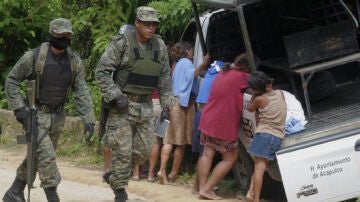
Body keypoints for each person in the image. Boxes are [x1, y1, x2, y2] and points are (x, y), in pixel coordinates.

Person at [3, 18, 96, 202]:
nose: (64, 38)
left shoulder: (74, 61)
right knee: (47, 158)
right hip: (35, 116)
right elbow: (12, 80)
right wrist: (19, 109)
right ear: (52, 35)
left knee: (38, 158)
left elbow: (81, 90)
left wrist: (88, 118)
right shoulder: (34, 57)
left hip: (58, 117)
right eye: (60, 35)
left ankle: (14, 191)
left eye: (67, 35)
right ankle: (53, 197)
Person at [95, 6, 174, 201]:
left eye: (154, 24)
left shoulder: (160, 46)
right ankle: (120, 192)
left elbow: (164, 78)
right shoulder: (122, 43)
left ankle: (116, 176)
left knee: (144, 150)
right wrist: (115, 95)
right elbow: (102, 71)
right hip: (123, 105)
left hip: (147, 105)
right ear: (137, 23)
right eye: (146, 23)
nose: (150, 27)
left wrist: (167, 105)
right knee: (123, 149)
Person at [196, 53, 251, 200]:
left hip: (208, 119)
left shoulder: (224, 71)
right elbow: (260, 85)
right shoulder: (243, 77)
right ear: (249, 67)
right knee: (230, 158)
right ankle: (207, 189)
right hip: (223, 124)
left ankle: (202, 188)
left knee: (207, 154)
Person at [157, 41, 209, 185]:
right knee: (181, 142)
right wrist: (204, 64)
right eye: (192, 51)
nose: (193, 54)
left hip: (174, 101)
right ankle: (173, 173)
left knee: (168, 139)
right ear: (187, 51)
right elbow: (192, 75)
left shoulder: (178, 63)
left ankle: (162, 170)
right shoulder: (186, 63)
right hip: (182, 104)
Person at [192, 46, 237, 193]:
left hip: (201, 113)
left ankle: (198, 187)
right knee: (216, 154)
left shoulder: (212, 69)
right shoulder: (226, 72)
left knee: (205, 153)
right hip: (212, 115)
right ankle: (203, 188)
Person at [102, 24, 136, 183]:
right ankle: (112, 170)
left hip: (112, 98)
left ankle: (109, 169)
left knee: (113, 134)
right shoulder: (125, 52)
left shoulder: (114, 49)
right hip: (119, 99)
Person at [245, 71, 286, 202]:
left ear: (256, 89)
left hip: (265, 135)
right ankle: (250, 193)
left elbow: (250, 109)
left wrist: (253, 96)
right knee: (260, 166)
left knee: (258, 169)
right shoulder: (280, 93)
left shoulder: (259, 99)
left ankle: (255, 199)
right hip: (277, 136)